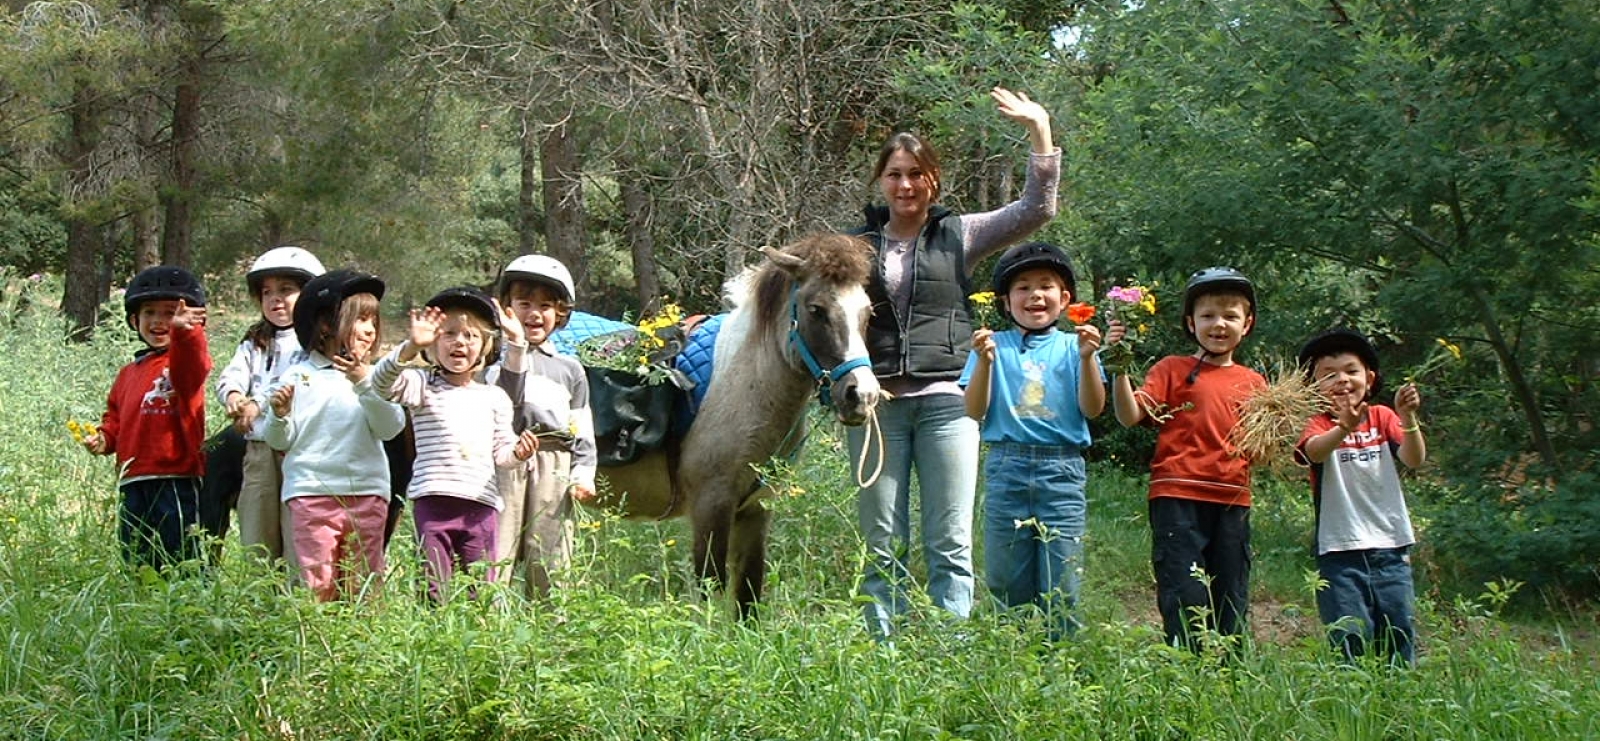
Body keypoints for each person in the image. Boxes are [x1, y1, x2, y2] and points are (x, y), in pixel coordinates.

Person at [845, 86, 1060, 638]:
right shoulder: (857, 246)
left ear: (933, 179)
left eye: (916, 173)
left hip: (949, 402)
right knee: (883, 539)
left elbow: (1036, 209)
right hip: (878, 405)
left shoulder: (959, 233)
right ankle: (881, 649)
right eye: (894, 173)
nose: (905, 184)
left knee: (950, 537)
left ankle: (950, 649)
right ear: (880, 181)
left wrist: (1040, 130)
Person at [1108, 266, 1266, 650]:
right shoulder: (1171, 369)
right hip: (1177, 495)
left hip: (1232, 498)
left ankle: (1231, 671)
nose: (1219, 324)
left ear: (1247, 325)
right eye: (1208, 315)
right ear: (1190, 322)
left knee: (1231, 591)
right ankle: (1186, 664)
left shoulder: (1255, 383)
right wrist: (1119, 367)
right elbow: (1129, 416)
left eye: (1231, 315)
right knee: (1184, 588)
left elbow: (1263, 452)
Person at [960, 242, 1106, 641]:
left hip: (1062, 470)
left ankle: (1061, 665)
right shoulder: (991, 345)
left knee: (1062, 581)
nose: (1035, 295)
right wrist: (985, 363)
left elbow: (1093, 409)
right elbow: (974, 410)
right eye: (1023, 287)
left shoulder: (1074, 346)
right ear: (1006, 301)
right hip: (1007, 466)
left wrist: (1090, 358)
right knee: (1007, 578)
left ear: (1065, 299)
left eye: (1046, 285)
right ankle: (1012, 664)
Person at [370, 287, 539, 602]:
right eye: (448, 334)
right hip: (434, 502)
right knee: (432, 587)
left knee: (481, 591)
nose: (459, 341)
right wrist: (409, 347)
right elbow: (380, 384)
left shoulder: (494, 397)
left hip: (482, 506)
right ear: (433, 344)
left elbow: (502, 454)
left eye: (471, 336)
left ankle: (479, 646)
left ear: (485, 347)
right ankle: (433, 643)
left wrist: (519, 452)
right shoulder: (421, 386)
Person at [264, 269, 405, 601]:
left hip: (367, 493)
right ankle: (321, 642)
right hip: (311, 494)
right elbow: (280, 440)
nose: (370, 330)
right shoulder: (299, 376)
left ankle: (363, 645)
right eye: (360, 320)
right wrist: (279, 415)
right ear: (325, 325)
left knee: (363, 584)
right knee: (318, 582)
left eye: (374, 321)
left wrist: (364, 383)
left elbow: (390, 427)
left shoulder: (376, 376)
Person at [1295, 328, 1427, 665]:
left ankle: (1398, 701)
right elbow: (1314, 452)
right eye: (1328, 375)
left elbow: (1413, 458)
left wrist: (1408, 417)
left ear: (1369, 378)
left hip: (1391, 548)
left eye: (1351, 371)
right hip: (1338, 552)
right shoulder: (1317, 423)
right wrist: (1343, 428)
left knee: (1398, 631)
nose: (1342, 380)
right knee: (1348, 635)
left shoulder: (1383, 417)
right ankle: (1351, 703)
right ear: (1313, 386)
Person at [81, 266, 212, 572]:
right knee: (135, 551)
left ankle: (189, 603)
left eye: (170, 313)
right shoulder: (128, 373)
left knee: (180, 552)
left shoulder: (182, 365)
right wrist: (103, 439)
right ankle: (141, 604)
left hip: (175, 477)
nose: (158, 321)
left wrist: (186, 333)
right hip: (133, 477)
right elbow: (115, 417)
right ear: (133, 320)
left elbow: (195, 361)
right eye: (149, 312)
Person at [490, 255, 598, 597]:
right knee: (497, 550)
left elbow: (581, 426)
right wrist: (514, 349)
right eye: (524, 304)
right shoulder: (490, 360)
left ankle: (552, 628)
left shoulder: (569, 369)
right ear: (506, 308)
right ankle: (489, 625)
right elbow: (507, 401)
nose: (534, 314)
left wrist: (583, 473)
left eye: (545, 306)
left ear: (560, 313)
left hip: (554, 461)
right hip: (503, 459)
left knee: (550, 552)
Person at [213, 246, 325, 567]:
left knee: (297, 529)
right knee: (257, 526)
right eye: (267, 293)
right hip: (259, 450)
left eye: (286, 291)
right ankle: (260, 598)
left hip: (298, 451)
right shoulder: (255, 340)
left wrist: (257, 405)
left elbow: (293, 381)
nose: (275, 299)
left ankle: (295, 597)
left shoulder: (314, 342)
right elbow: (232, 374)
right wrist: (234, 396)